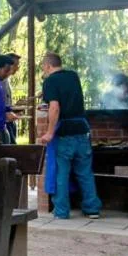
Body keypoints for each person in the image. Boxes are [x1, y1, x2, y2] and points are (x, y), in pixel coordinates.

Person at [37, 52, 101, 220]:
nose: (44, 70)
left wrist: (50, 132)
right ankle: (92, 209)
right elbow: (68, 96)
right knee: (85, 172)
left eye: (44, 67)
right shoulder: (73, 76)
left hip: (64, 132)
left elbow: (55, 107)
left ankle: (61, 211)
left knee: (61, 173)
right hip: (82, 130)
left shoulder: (50, 81)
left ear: (48, 66)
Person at [3, 52, 22, 143]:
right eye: (16, 65)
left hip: (10, 122)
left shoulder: (7, 81)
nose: (18, 68)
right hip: (4, 123)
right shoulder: (0, 82)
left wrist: (16, 107)